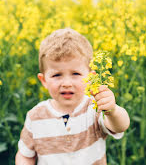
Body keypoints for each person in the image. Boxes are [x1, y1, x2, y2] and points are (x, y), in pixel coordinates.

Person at [15, 28, 130, 165]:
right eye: (57, 75)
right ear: (44, 80)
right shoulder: (35, 116)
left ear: (90, 77)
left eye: (75, 74)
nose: (67, 83)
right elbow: (25, 155)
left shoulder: (94, 107)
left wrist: (112, 110)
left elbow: (120, 126)